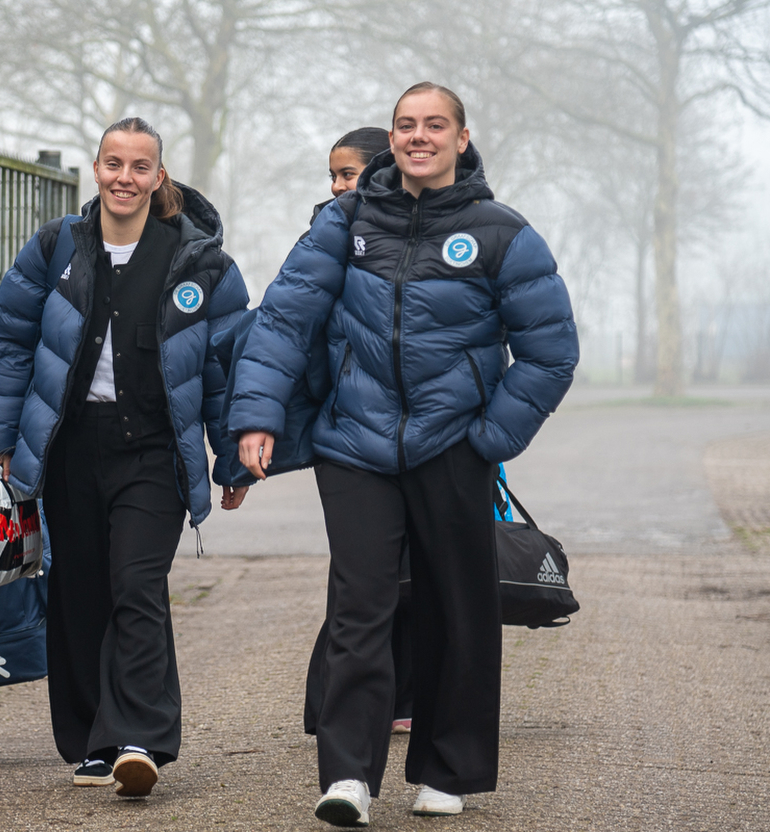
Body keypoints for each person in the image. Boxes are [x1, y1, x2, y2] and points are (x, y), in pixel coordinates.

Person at [230, 83, 578, 826]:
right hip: (354, 445)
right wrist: (256, 416)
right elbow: (284, 320)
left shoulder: (502, 233)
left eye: (434, 125)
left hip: (453, 448)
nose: (419, 136)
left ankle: (448, 771)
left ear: (461, 138)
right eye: (405, 125)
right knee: (360, 607)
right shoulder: (346, 221)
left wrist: (490, 437)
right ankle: (348, 777)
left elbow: (550, 352)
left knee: (457, 608)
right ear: (391, 140)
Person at [0, 117, 250, 798]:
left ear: (159, 177)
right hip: (71, 448)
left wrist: (233, 456)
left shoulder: (201, 263)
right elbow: (9, 345)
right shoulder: (54, 247)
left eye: (139, 166)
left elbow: (226, 366)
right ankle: (92, 740)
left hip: (153, 450)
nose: (125, 177)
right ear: (96, 170)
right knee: (80, 591)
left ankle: (140, 739)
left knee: (136, 585)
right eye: (113, 164)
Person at [299, 126, 418, 739]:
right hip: (349, 429)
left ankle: (405, 695)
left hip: (423, 432)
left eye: (347, 174)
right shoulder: (326, 235)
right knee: (360, 576)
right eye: (333, 175)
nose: (337, 186)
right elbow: (296, 322)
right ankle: (336, 703)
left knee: (414, 572)